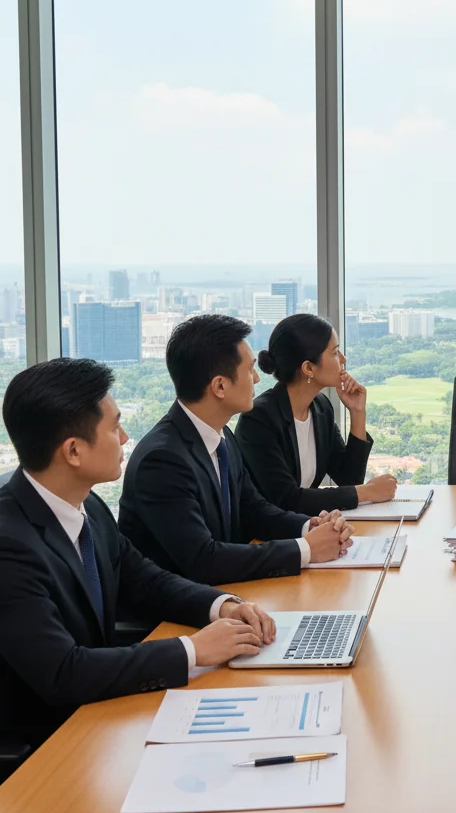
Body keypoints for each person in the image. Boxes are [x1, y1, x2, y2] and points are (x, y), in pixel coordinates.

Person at [0, 358, 277, 752]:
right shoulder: (9, 544)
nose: (126, 437)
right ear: (74, 451)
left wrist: (223, 606)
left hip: (101, 715)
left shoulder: (87, 505)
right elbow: (62, 672)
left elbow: (145, 580)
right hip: (45, 746)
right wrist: (193, 650)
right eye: (114, 426)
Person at [119, 314, 353, 586]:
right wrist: (307, 549)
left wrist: (310, 526)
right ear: (220, 385)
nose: (256, 379)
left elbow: (254, 510)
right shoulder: (161, 461)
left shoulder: (222, 436)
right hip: (172, 618)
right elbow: (203, 560)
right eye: (249, 370)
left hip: (229, 595)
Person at [234, 313, 397, 517]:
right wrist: (368, 492)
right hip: (262, 540)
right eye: (336, 353)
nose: (343, 360)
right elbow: (286, 499)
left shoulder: (321, 407)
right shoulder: (258, 418)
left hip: (304, 530)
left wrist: (357, 412)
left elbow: (349, 479)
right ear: (308, 368)